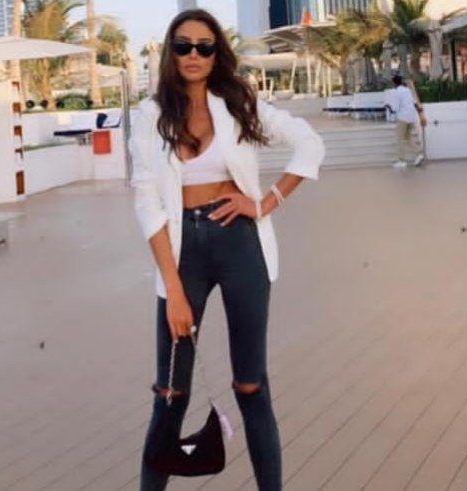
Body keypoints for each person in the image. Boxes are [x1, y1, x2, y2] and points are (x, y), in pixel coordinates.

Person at [130, 9, 325, 491]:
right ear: (171, 53)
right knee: (170, 391)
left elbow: (309, 143)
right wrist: (173, 290)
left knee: (251, 385)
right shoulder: (149, 115)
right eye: (183, 46)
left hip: (240, 243)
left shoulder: (239, 103)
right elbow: (147, 201)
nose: (193, 55)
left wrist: (265, 202)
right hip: (183, 253)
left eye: (204, 46)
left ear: (217, 54)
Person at [389, 74, 425, 169]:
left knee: (399, 139)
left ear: (394, 83)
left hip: (402, 117)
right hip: (411, 116)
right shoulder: (408, 90)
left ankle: (401, 160)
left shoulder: (396, 92)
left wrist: (391, 108)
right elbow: (414, 102)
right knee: (407, 137)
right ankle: (418, 153)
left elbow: (395, 107)